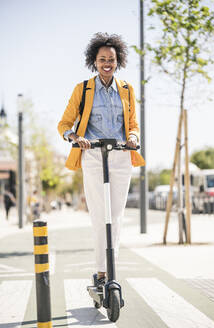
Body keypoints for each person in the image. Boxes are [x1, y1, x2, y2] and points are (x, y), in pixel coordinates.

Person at [58, 32, 145, 289]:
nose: (107, 63)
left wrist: (132, 135)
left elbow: (133, 124)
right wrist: (75, 136)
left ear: (118, 61)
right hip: (93, 154)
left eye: (111, 59)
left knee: (116, 216)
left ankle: (110, 273)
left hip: (120, 154)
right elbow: (64, 123)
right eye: (102, 59)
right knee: (99, 216)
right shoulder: (82, 89)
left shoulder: (127, 90)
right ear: (94, 61)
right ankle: (102, 273)